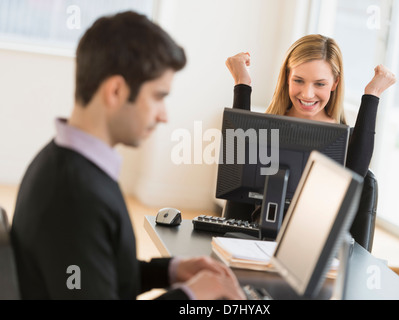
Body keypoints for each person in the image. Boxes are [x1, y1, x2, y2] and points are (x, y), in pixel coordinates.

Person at [11, 11, 244, 300]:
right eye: (158, 97)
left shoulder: (66, 163)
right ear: (116, 91)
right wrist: (191, 296)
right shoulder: (75, 194)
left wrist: (169, 270)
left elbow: (93, 275)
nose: (163, 115)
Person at [224, 34, 396, 221]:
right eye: (298, 80)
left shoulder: (346, 141)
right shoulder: (264, 132)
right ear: (288, 77)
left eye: (320, 84)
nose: (307, 94)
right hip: (255, 240)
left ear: (335, 83)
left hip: (310, 242)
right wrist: (242, 83)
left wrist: (372, 94)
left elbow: (353, 179)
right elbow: (237, 166)